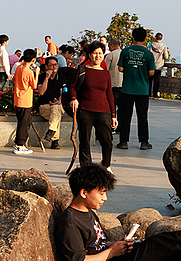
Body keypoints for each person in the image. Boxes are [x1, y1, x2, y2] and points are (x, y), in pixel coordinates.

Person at [68, 41, 117, 170]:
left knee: (107, 141)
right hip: (85, 110)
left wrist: (113, 115)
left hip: (103, 111)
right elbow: (72, 87)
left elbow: (109, 94)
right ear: (89, 55)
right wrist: (74, 99)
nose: (97, 56)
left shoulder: (105, 73)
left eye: (100, 53)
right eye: (95, 53)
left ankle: (106, 165)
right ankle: (86, 167)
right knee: (85, 141)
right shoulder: (82, 70)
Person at [117, 27, 157, 150]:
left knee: (125, 116)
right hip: (142, 89)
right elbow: (151, 72)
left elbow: (120, 69)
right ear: (145, 39)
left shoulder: (125, 51)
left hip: (127, 88)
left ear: (132, 37)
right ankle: (144, 142)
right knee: (142, 116)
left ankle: (123, 141)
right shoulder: (148, 54)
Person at [12, 49, 39, 156]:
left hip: (18, 99)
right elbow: (34, 86)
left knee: (21, 122)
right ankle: (20, 144)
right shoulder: (29, 72)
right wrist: (36, 73)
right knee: (24, 124)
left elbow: (14, 80)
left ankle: (18, 144)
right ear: (33, 59)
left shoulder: (19, 67)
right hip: (25, 101)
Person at [36, 57, 65, 149]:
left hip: (58, 105)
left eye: (55, 65)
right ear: (46, 66)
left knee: (56, 109)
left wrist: (59, 100)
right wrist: (47, 78)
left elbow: (62, 93)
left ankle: (51, 132)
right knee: (57, 115)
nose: (54, 67)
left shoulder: (61, 78)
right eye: (51, 65)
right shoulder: (42, 77)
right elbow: (41, 92)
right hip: (45, 106)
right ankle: (55, 140)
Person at [103, 37, 125, 119]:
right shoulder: (125, 54)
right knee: (122, 107)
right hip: (123, 85)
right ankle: (121, 126)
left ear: (112, 45)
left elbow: (105, 70)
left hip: (113, 85)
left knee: (112, 107)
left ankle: (112, 124)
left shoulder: (110, 55)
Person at [147, 32, 171, 98]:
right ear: (161, 38)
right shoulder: (163, 46)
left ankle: (148, 94)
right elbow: (166, 57)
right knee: (156, 80)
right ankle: (155, 94)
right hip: (159, 65)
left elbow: (147, 53)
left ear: (155, 37)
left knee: (149, 80)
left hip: (151, 65)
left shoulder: (150, 44)